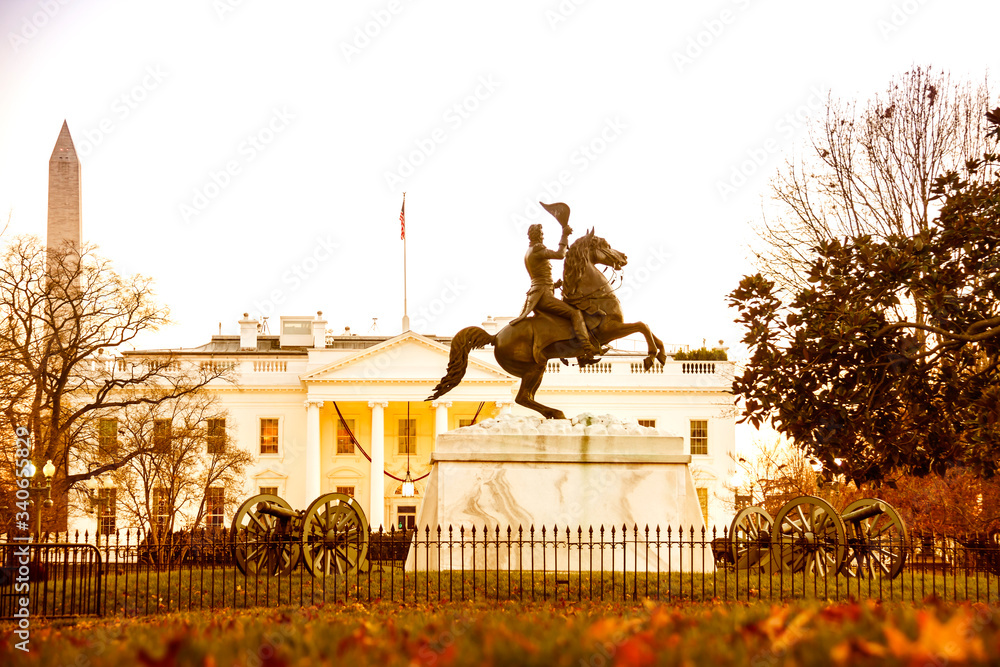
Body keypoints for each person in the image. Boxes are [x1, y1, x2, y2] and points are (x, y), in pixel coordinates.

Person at [510, 202, 599, 357]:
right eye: (542, 235)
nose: (544, 237)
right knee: (576, 314)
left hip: (541, 291)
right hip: (544, 295)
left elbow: (539, 276)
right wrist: (564, 234)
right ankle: (586, 348)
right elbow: (560, 254)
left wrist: (555, 284)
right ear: (538, 236)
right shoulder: (538, 249)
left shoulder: (529, 251)